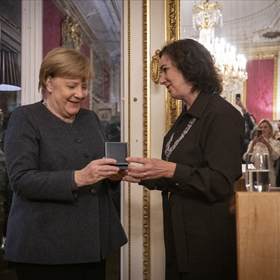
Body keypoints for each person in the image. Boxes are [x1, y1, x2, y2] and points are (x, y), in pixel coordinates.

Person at [123, 39, 245, 280]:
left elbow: (220, 182)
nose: (161, 80)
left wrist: (168, 170)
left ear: (189, 66)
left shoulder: (222, 115)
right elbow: (180, 173)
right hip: (181, 236)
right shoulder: (186, 116)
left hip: (207, 241)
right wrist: (144, 176)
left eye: (165, 69)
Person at [4, 47, 127, 280]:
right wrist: (79, 177)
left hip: (93, 244)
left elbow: (96, 174)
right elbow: (21, 180)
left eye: (84, 86)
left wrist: (111, 176)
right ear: (48, 83)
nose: (80, 94)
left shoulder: (89, 118)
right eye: (72, 86)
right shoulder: (25, 118)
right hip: (46, 249)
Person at [243, 118, 280, 188]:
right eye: (261, 127)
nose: (263, 129)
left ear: (270, 129)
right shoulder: (252, 143)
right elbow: (246, 158)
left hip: (269, 174)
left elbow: (276, 156)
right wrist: (253, 144)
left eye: (265, 127)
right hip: (255, 175)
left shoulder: (276, 143)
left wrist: (267, 143)